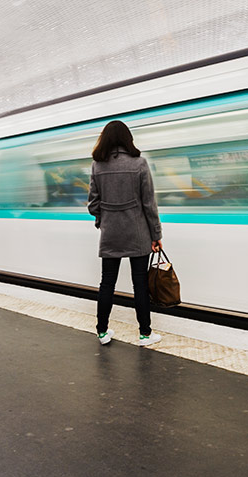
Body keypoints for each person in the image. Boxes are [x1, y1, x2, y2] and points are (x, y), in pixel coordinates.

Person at [88, 120, 163, 347]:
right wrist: (156, 235)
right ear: (127, 138)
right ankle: (145, 334)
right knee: (139, 284)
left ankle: (102, 332)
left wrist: (104, 220)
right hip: (138, 233)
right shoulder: (139, 163)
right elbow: (149, 204)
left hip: (110, 234)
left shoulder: (97, 166)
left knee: (107, 283)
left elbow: (93, 204)